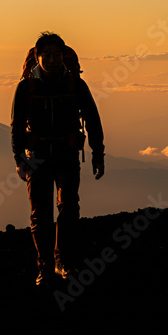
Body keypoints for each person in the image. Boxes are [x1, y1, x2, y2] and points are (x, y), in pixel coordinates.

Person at [10, 31, 105, 285]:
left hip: (66, 155)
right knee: (40, 214)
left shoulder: (75, 84)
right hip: (37, 157)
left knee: (68, 209)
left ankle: (62, 261)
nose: (52, 60)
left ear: (63, 56)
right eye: (47, 55)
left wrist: (98, 154)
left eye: (57, 55)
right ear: (37, 57)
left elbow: (93, 120)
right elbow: (16, 125)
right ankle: (46, 266)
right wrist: (19, 158)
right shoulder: (26, 87)